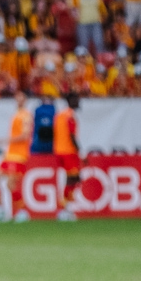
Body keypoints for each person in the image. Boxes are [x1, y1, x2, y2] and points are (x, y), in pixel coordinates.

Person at [0, 90, 33, 222]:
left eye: (21, 96)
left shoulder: (26, 116)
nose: (18, 98)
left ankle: (22, 211)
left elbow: (25, 136)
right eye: (17, 96)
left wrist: (6, 140)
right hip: (9, 154)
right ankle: (1, 210)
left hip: (19, 155)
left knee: (11, 184)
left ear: (25, 99)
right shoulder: (17, 114)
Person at [53, 91, 82, 221]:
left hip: (59, 151)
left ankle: (66, 207)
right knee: (73, 179)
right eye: (77, 99)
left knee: (71, 179)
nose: (79, 102)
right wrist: (81, 152)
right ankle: (65, 208)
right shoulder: (70, 116)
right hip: (69, 152)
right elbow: (72, 136)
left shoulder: (59, 115)